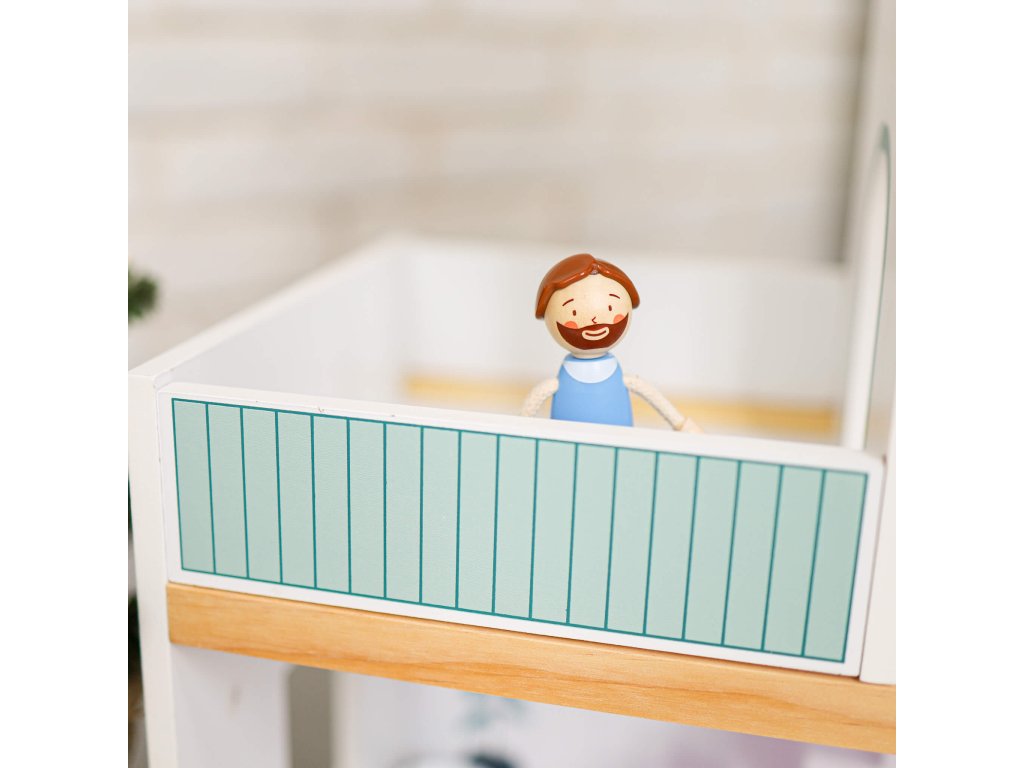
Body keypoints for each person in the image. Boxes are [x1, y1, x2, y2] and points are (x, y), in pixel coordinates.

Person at [522, 253, 702, 432]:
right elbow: (532, 404)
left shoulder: (618, 376)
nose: (593, 319)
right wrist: (520, 430)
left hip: (618, 442)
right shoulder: (561, 380)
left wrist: (682, 425)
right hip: (567, 442)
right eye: (574, 312)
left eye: (610, 307)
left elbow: (650, 394)